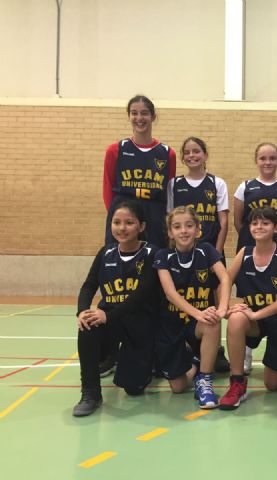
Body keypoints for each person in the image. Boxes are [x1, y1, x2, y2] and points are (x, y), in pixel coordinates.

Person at [73, 200, 161, 417]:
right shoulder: (106, 253)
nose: (122, 228)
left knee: (133, 388)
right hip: (110, 321)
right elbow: (88, 286)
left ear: (141, 226)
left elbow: (141, 296)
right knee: (88, 325)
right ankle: (91, 393)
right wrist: (82, 311)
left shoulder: (152, 254)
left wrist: (108, 316)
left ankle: (147, 358)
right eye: (116, 222)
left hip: (140, 324)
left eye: (129, 223)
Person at [219, 207, 277, 410]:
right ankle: (237, 383)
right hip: (255, 321)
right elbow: (225, 280)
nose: (259, 227)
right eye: (254, 223)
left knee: (273, 385)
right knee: (236, 318)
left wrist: (256, 313)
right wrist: (224, 308)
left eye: (265, 223)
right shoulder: (244, 253)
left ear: (276, 228)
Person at [153, 206, 231, 409]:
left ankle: (205, 381)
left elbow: (225, 278)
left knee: (212, 320)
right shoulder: (163, 255)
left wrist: (222, 308)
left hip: (197, 325)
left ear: (198, 229)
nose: (183, 231)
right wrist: (198, 313)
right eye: (177, 226)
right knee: (178, 387)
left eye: (189, 225)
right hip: (171, 326)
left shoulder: (207, 250)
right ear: (170, 232)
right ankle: (196, 362)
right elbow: (170, 293)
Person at [234, 143, 277, 374]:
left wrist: (275, 240)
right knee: (248, 293)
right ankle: (246, 351)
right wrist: (256, 239)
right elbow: (239, 222)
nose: (267, 162)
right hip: (251, 247)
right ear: (256, 160)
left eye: (272, 158)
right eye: (263, 158)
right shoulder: (245, 187)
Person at [168, 136, 231, 373]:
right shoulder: (174, 184)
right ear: (183, 157)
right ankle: (185, 345)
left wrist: (216, 252)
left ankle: (216, 349)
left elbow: (223, 221)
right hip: (183, 252)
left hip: (210, 252)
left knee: (213, 300)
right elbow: (170, 219)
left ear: (205, 155)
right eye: (187, 152)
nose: (192, 156)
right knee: (186, 296)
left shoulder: (217, 183)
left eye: (197, 151)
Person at [103, 94, 176, 248]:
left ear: (153, 117)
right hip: (124, 213)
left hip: (155, 216)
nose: (139, 118)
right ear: (129, 116)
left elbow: (168, 193)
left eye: (144, 113)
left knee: (155, 259)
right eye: (134, 113)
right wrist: (116, 217)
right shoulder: (115, 150)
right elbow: (108, 188)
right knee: (119, 259)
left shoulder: (167, 153)